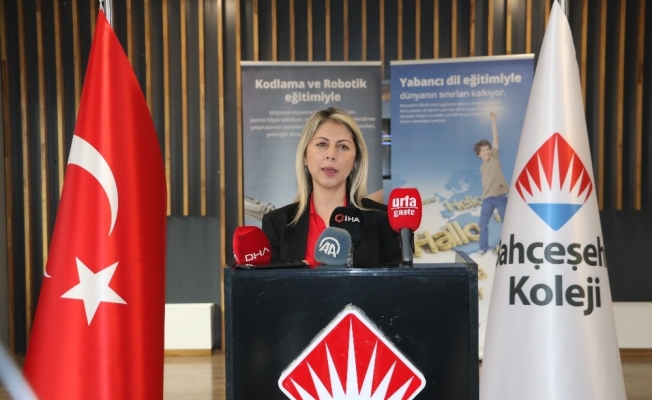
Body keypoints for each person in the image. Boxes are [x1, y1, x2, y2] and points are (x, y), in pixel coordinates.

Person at [262, 107, 401, 267]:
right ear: (304, 156)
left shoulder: (383, 219)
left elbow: (393, 281)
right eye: (322, 144)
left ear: (355, 161)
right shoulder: (277, 224)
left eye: (343, 146)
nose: (331, 155)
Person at [474, 112, 509, 255]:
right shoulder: (482, 167)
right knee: (482, 224)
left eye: (488, 149)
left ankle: (508, 245)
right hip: (488, 198)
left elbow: (495, 138)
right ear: (479, 155)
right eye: (483, 151)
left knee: (507, 222)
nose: (487, 152)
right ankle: (483, 248)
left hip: (500, 196)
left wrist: (493, 120)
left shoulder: (494, 157)